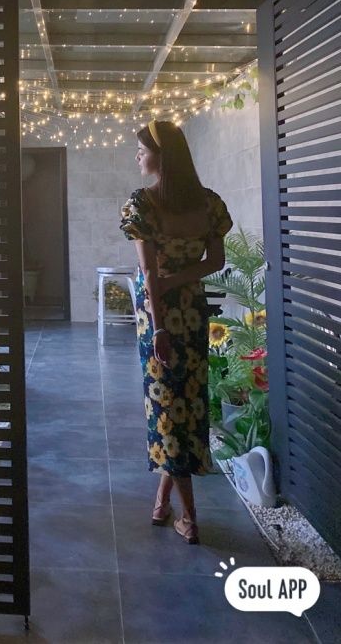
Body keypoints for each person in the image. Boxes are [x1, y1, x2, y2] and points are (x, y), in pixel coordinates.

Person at [119, 119, 233, 545]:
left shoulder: (142, 204)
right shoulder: (209, 203)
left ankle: (190, 516)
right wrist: (181, 280)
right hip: (192, 309)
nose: (138, 156)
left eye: (143, 150)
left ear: (162, 157)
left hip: (159, 314)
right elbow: (215, 261)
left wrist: (159, 325)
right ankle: (162, 499)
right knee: (188, 400)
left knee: (166, 408)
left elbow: (150, 274)